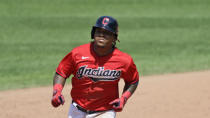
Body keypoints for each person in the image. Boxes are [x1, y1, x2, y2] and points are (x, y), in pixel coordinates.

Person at [51, 16, 139, 118]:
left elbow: (133, 81)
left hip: (105, 112)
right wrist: (56, 91)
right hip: (76, 109)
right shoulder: (77, 53)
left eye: (107, 32)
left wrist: (124, 98)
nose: (102, 35)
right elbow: (61, 72)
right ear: (93, 34)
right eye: (99, 31)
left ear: (115, 38)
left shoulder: (124, 60)